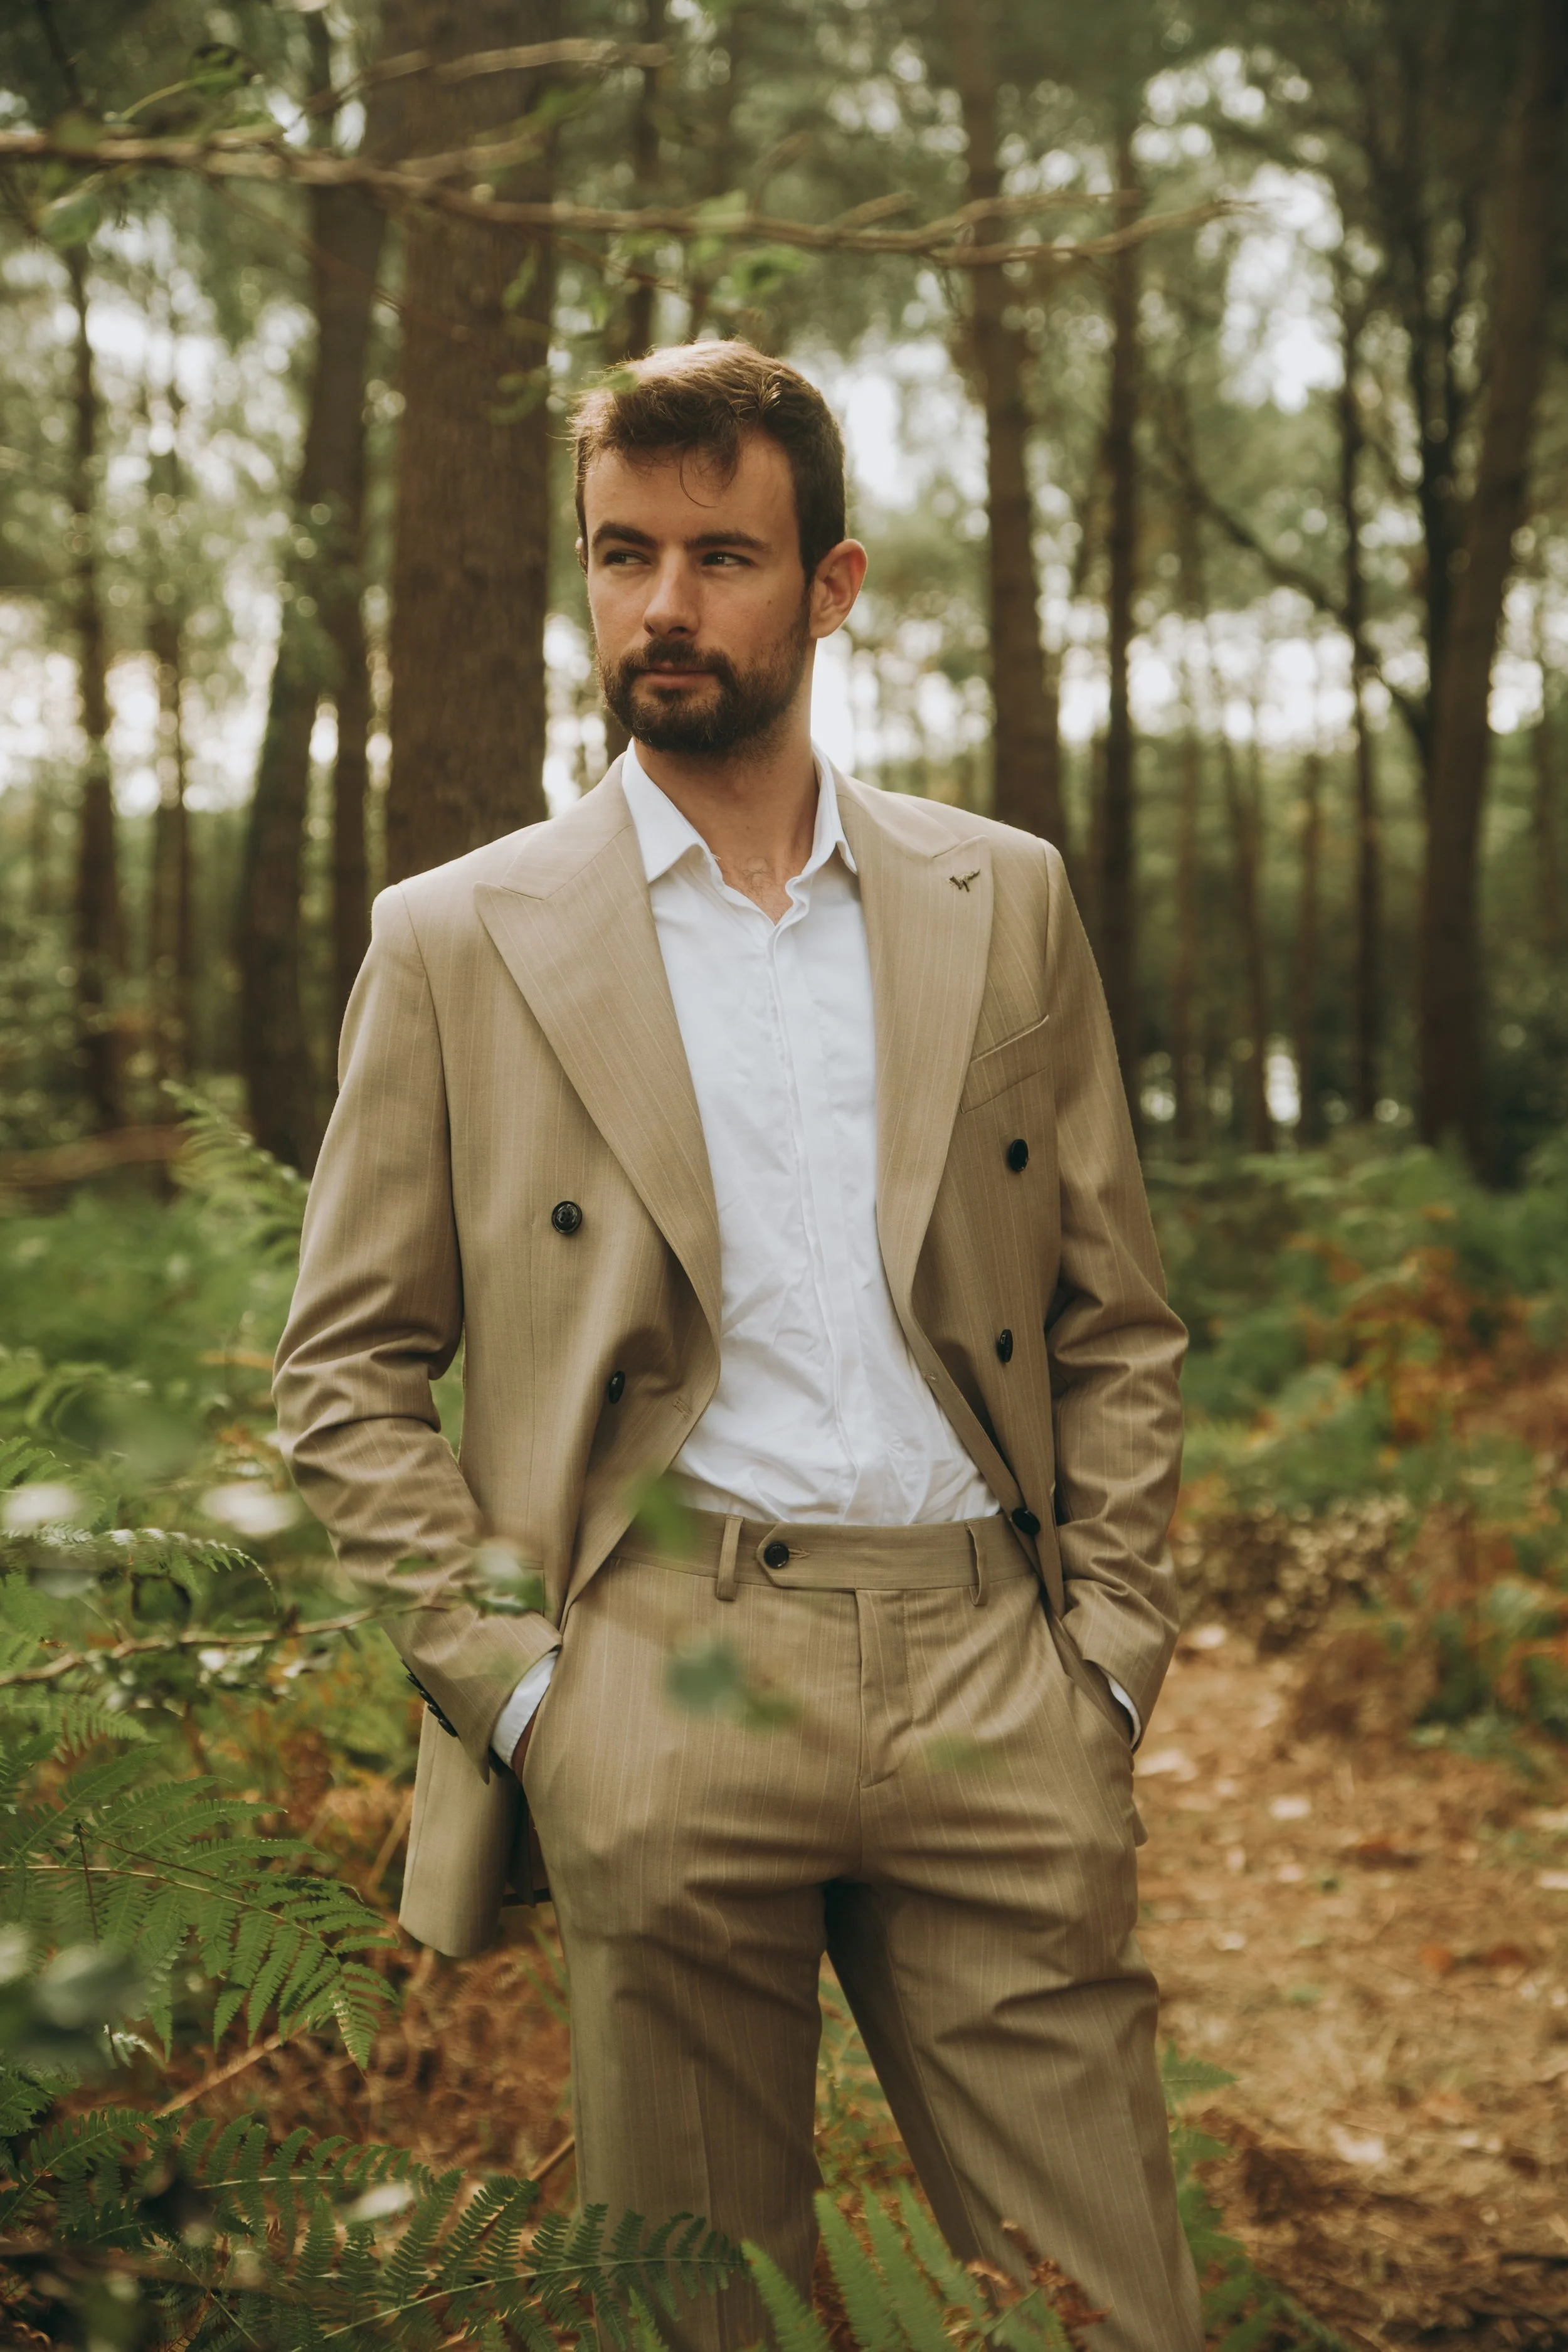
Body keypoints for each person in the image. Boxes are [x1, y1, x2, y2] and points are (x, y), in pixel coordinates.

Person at [273, 339, 1201, 2352]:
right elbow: (345, 1363)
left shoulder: (998, 898)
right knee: (705, 2321)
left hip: (989, 1671)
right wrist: (526, 1697)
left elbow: (1108, 1312)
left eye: (720, 556)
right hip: (660, 1668)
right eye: (622, 555)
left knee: (1113, 2310)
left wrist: (1105, 1657)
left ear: (832, 584)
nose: (663, 607)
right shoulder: (463, 935)